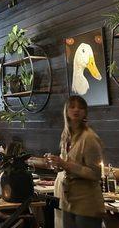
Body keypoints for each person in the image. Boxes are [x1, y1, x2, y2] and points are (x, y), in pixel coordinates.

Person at [46, 95, 105, 228]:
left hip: (87, 203)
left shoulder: (89, 137)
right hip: (68, 200)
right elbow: (66, 165)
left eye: (80, 107)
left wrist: (65, 164)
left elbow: (95, 174)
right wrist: (56, 164)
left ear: (85, 112)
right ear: (66, 111)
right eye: (72, 107)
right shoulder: (66, 136)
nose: (76, 110)